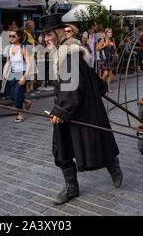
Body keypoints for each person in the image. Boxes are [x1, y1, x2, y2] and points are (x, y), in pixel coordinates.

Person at [39, 14, 122, 206]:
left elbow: (72, 86)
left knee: (97, 143)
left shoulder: (70, 54)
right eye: (44, 36)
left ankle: (113, 165)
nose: (46, 39)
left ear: (60, 33)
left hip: (80, 108)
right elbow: (87, 77)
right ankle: (71, 187)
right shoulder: (62, 52)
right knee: (62, 149)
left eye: (49, 34)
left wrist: (61, 111)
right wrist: (99, 87)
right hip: (68, 106)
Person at [3, 29, 32, 123]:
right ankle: (26, 102)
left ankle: (20, 114)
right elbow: (8, 61)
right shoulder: (8, 48)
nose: (11, 38)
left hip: (22, 73)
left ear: (19, 37)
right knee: (12, 95)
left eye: (13, 36)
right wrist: (4, 73)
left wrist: (24, 76)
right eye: (10, 36)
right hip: (12, 73)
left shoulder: (22, 48)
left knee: (18, 95)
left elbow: (29, 63)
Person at [97, 28, 117, 93]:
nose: (110, 34)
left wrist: (116, 54)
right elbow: (97, 48)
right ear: (106, 33)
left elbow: (114, 49)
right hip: (104, 59)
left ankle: (108, 88)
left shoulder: (112, 40)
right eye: (109, 32)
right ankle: (101, 86)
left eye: (111, 32)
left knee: (110, 74)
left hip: (111, 59)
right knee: (105, 73)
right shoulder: (103, 40)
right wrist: (104, 45)